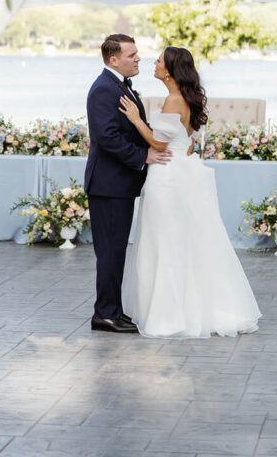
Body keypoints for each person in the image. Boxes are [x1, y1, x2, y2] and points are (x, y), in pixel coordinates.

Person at [121, 46, 262, 338]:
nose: (154, 63)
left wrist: (136, 119)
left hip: (167, 177)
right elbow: (187, 140)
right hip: (177, 172)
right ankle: (184, 308)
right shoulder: (183, 98)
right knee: (177, 240)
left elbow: (159, 145)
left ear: (170, 70)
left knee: (164, 242)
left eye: (159, 61)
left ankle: (169, 315)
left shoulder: (173, 100)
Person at [84, 34, 171, 334]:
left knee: (116, 251)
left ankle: (113, 310)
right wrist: (142, 156)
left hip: (118, 185)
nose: (138, 59)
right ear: (113, 59)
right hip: (107, 186)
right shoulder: (103, 90)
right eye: (132, 55)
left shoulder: (118, 86)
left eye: (137, 54)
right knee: (109, 252)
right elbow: (106, 137)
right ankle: (104, 314)